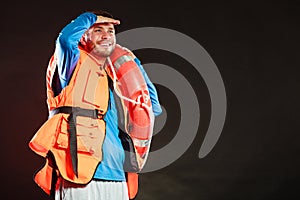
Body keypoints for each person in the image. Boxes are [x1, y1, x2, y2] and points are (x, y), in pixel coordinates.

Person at [28, 10, 162, 200]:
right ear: (84, 35)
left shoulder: (113, 76)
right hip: (77, 176)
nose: (107, 35)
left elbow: (153, 106)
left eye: (111, 31)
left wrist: (134, 64)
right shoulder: (70, 65)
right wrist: (91, 17)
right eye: (98, 30)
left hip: (117, 176)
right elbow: (65, 39)